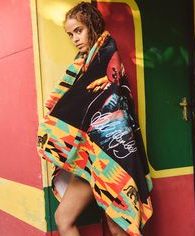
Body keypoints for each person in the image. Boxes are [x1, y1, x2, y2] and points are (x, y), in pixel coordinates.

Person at [37, 2, 153, 236]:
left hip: (114, 154)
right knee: (63, 218)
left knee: (118, 225)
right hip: (89, 155)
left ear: (92, 25)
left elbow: (83, 101)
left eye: (79, 30)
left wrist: (53, 123)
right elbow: (78, 101)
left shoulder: (107, 54)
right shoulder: (86, 63)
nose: (75, 39)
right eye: (71, 34)